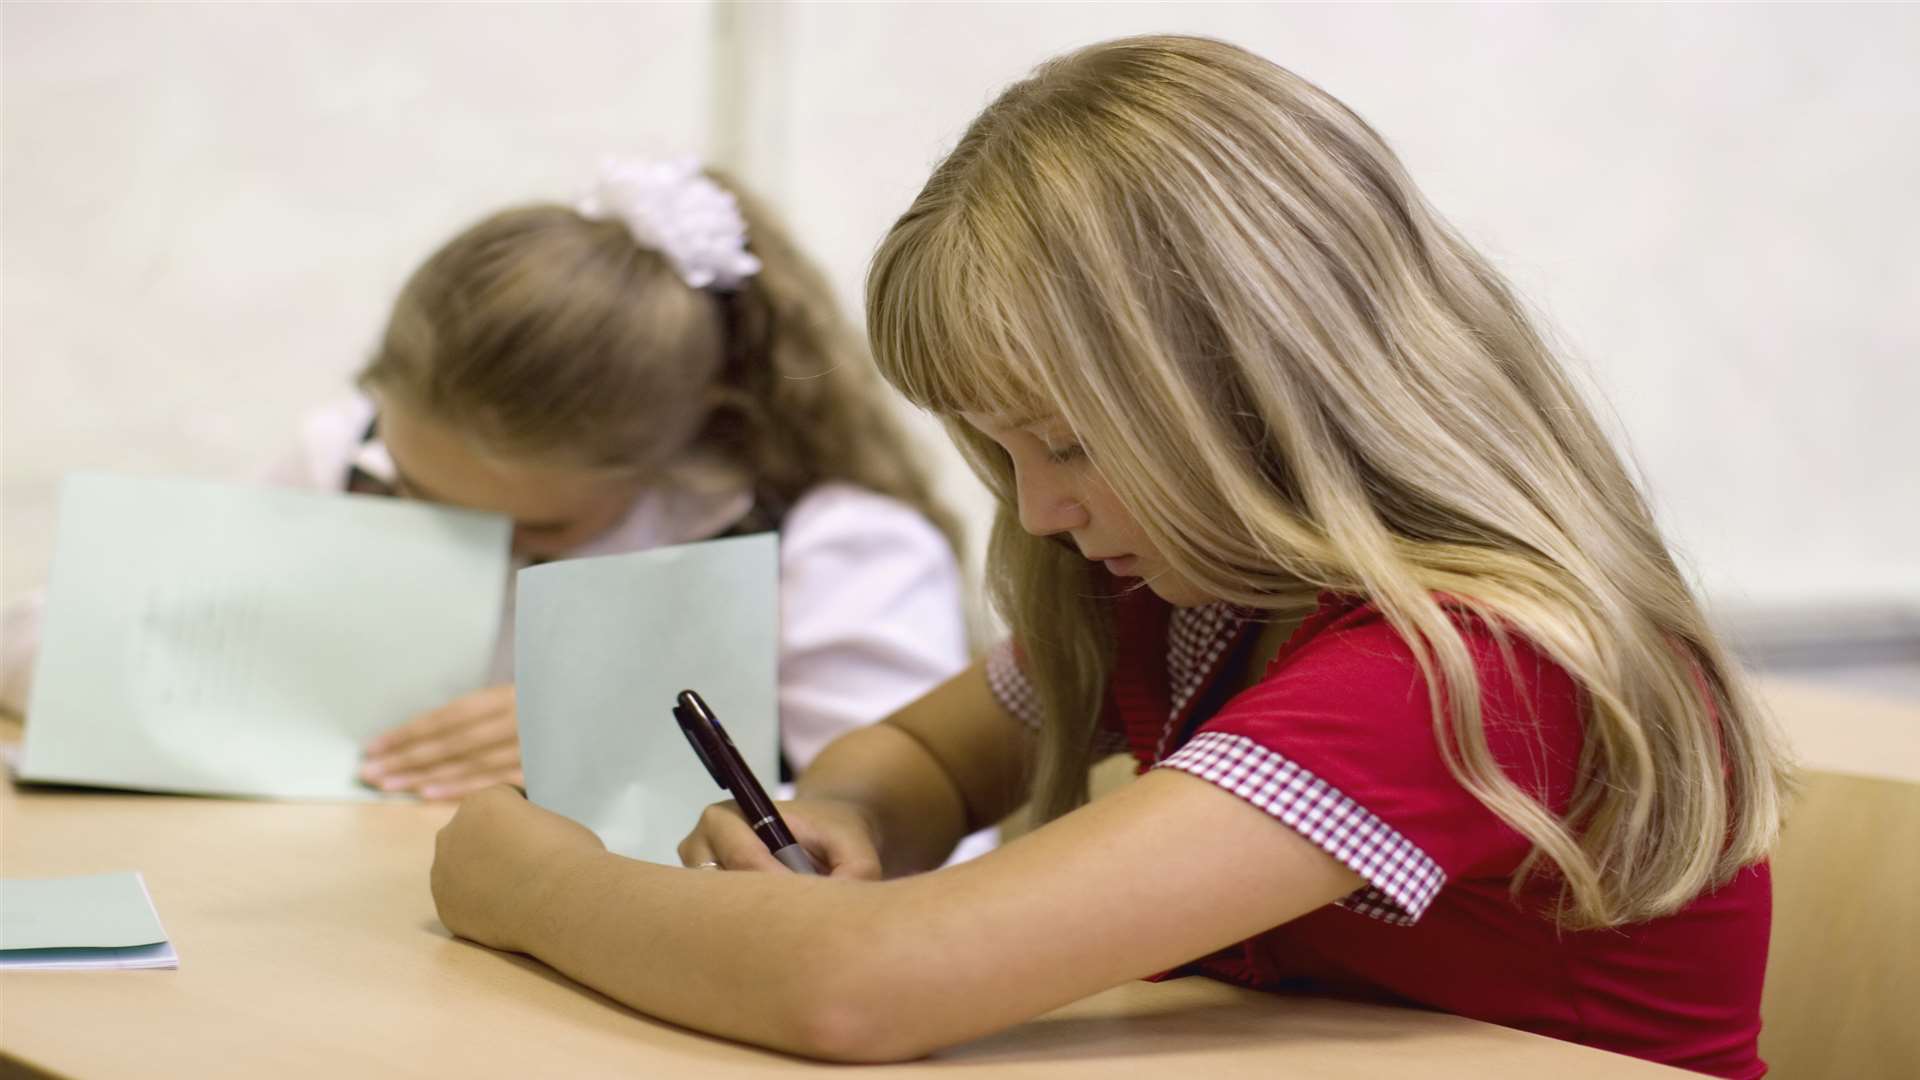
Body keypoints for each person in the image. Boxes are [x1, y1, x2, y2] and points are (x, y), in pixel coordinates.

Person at [427, 36, 1793, 1076]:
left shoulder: (1458, 664)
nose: (1035, 513)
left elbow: (861, 990)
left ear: (1269, 389)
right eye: (1003, 455)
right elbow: (931, 759)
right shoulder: (1194, 588)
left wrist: (531, 883)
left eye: (1068, 445)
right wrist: (857, 820)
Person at [0, 158, 970, 803]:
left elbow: (933, 840)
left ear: (686, 443)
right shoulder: (349, 460)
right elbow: (37, 650)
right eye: (424, 507)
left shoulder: (832, 550)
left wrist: (622, 755)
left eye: (534, 534)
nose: (465, 554)